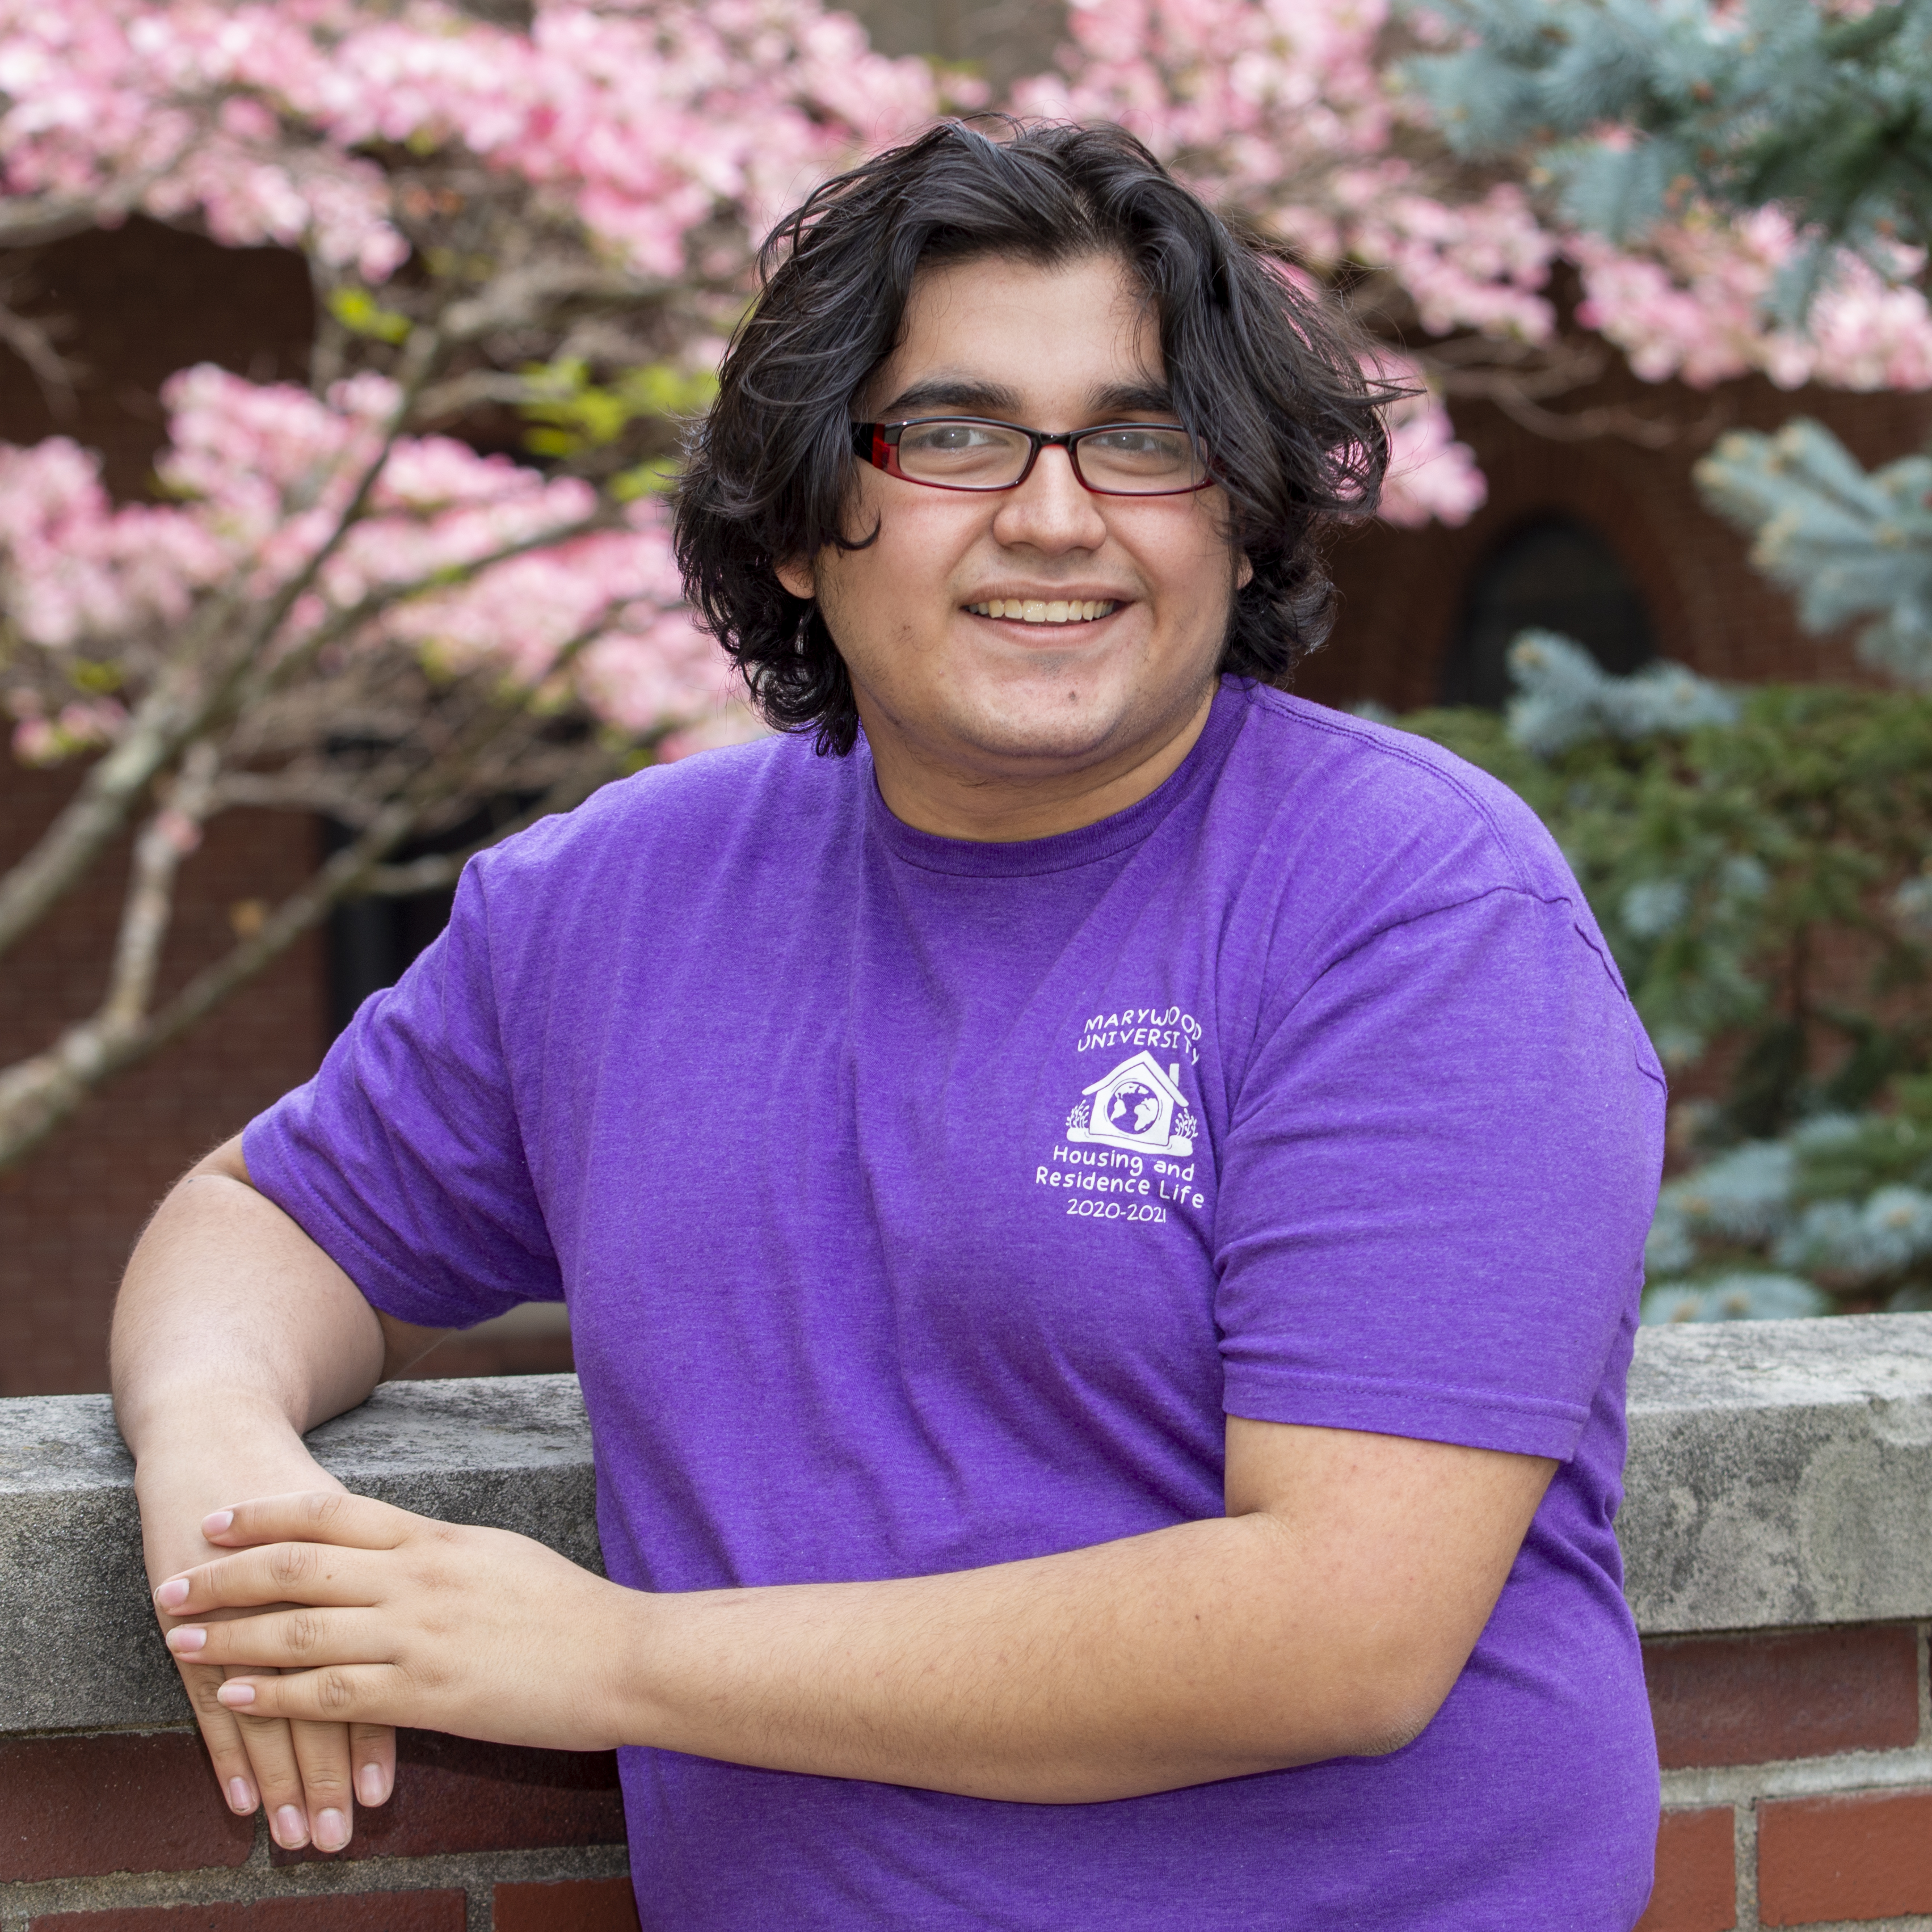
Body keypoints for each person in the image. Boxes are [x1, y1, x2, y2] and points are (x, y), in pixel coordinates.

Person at [113, 120, 1667, 1930]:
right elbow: (273, 1217)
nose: (1057, 513)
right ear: (794, 528)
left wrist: (607, 1660)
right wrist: (220, 1449)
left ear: (1241, 526)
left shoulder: (1413, 908)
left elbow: (1341, 1633)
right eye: (953, 433)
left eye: (1145, 439)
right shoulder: (612, 900)